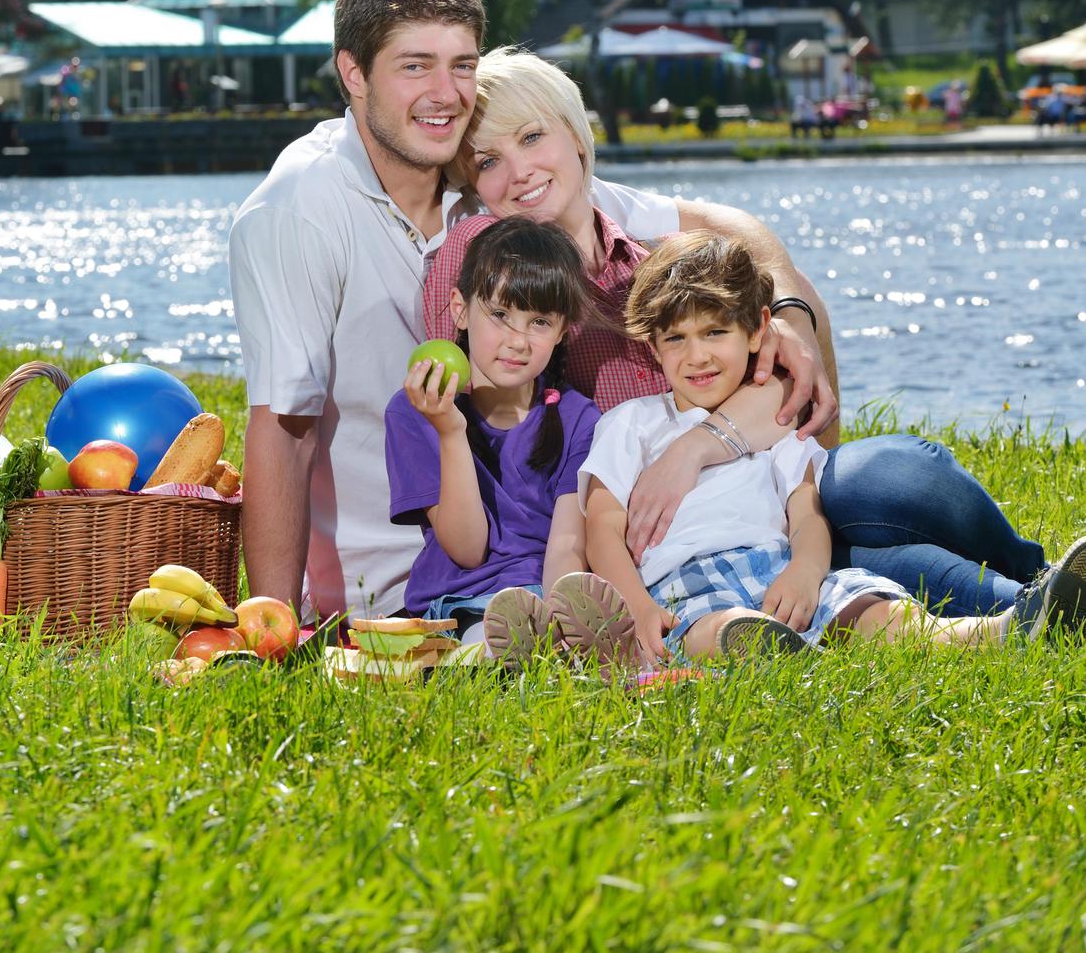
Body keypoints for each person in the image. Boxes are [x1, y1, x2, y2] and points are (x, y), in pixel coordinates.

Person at [231, 0, 836, 623]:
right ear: (353, 74)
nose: (445, 92)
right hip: (411, 574)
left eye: (461, 64)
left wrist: (788, 313)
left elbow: (727, 225)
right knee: (891, 502)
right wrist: (270, 626)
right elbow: (284, 425)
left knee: (897, 483)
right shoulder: (304, 208)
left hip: (647, 531)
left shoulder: (493, 199)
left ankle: (894, 573)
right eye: (414, 66)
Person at [426, 45, 1048, 618]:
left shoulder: (651, 262)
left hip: (755, 490)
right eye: (487, 161)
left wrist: (698, 442)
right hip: (655, 544)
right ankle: (1032, 601)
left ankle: (1036, 581)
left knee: (884, 481)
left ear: (578, 136)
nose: (518, 172)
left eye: (533, 136)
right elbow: (472, 408)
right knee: (864, 542)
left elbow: (777, 369)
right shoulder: (483, 260)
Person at [572, 233, 1086, 665]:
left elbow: (807, 515)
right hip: (686, 578)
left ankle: (1000, 631)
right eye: (676, 339)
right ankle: (753, 647)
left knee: (873, 608)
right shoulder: (632, 423)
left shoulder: (771, 421)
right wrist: (635, 605)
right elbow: (602, 526)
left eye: (715, 332)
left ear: (756, 330)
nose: (697, 355)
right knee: (714, 626)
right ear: (653, 345)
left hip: (774, 565)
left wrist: (804, 570)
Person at [385, 218, 598, 645]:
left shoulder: (578, 417)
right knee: (487, 634)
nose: (518, 341)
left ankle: (558, 641)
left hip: (544, 594)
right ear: (461, 310)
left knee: (552, 621)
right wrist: (450, 432)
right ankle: (506, 647)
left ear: (561, 332)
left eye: (539, 322)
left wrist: (561, 613)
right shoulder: (415, 413)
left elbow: (565, 547)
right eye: (500, 314)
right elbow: (467, 550)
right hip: (459, 602)